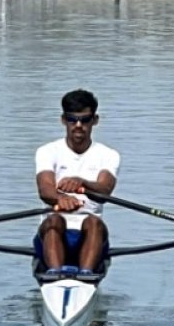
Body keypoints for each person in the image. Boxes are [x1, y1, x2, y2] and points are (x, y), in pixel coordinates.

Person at [34, 89, 120, 276]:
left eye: (85, 120)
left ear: (95, 120)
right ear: (63, 120)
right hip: (53, 231)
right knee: (54, 220)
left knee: (93, 222)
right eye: (72, 120)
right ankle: (55, 274)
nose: (78, 125)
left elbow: (104, 190)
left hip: (91, 234)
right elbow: (45, 189)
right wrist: (60, 198)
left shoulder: (109, 155)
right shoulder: (47, 151)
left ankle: (86, 275)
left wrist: (83, 184)